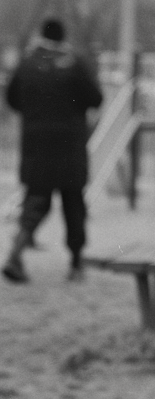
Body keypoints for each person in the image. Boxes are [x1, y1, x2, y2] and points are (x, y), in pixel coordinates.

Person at [3, 18, 104, 284]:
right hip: (69, 145)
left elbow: (12, 98)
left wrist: (34, 113)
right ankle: (76, 263)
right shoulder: (75, 64)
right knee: (73, 205)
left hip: (36, 144)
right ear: (63, 36)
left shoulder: (26, 64)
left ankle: (15, 253)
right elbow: (96, 97)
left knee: (35, 202)